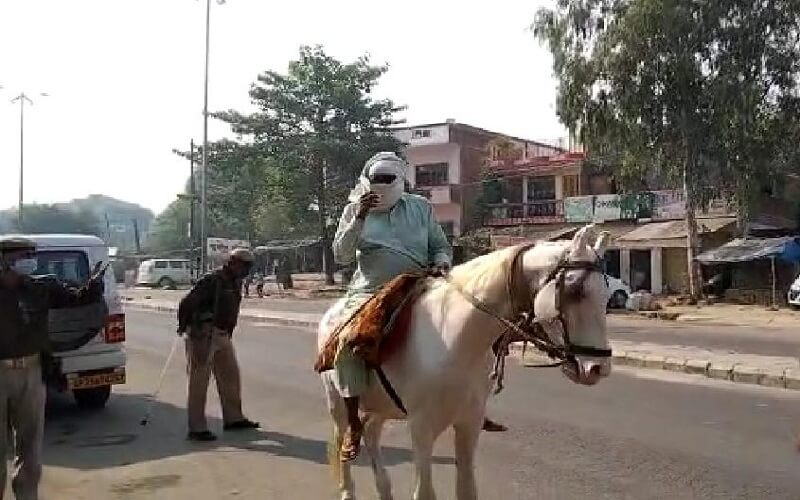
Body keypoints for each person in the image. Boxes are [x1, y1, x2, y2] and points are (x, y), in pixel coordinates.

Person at [330, 152, 453, 461]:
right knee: (347, 341)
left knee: (472, 325)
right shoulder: (353, 209)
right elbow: (341, 256)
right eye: (376, 180)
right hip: (370, 290)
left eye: (388, 180)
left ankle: (470, 404)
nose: (381, 185)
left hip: (421, 284)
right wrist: (358, 217)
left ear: (400, 181)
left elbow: (439, 245)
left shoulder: (421, 207)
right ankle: (354, 424)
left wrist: (441, 262)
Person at [0, 237, 106, 499]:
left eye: (30, 256)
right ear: (5, 261)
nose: (30, 262)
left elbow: (77, 299)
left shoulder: (41, 287)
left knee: (30, 448)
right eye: (24, 257)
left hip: (33, 371)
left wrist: (93, 287)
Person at [177, 248, 260, 442]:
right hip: (203, 334)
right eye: (243, 264)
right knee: (199, 382)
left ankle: (233, 418)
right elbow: (186, 303)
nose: (246, 269)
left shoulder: (234, 282)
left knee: (230, 376)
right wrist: (187, 327)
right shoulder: (212, 279)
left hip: (222, 335)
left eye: (248, 266)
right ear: (232, 262)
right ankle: (196, 427)